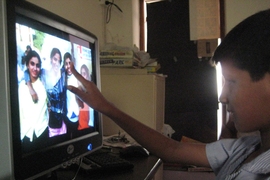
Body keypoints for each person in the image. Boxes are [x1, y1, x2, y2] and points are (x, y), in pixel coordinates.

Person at [67, 9, 270, 179]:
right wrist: (106, 107)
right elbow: (171, 149)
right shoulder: (245, 149)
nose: (222, 96)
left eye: (232, 82)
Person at [18, 50, 49, 151]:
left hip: (42, 133)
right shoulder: (22, 87)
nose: (35, 68)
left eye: (38, 65)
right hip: (26, 135)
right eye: (32, 64)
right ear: (27, 65)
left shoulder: (44, 84)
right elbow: (20, 112)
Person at [45, 48, 67, 137]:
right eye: (55, 59)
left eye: (59, 60)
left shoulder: (62, 74)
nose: (57, 63)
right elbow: (28, 72)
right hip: (52, 121)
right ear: (51, 58)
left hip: (63, 120)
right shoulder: (44, 75)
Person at [63, 52, 83, 133]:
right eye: (66, 63)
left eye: (69, 63)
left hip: (78, 113)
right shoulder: (62, 78)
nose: (68, 66)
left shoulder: (77, 77)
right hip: (67, 115)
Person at [78, 64, 91, 130]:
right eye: (81, 73)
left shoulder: (91, 88)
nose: (82, 76)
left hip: (88, 115)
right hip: (83, 114)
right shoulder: (79, 88)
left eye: (84, 73)